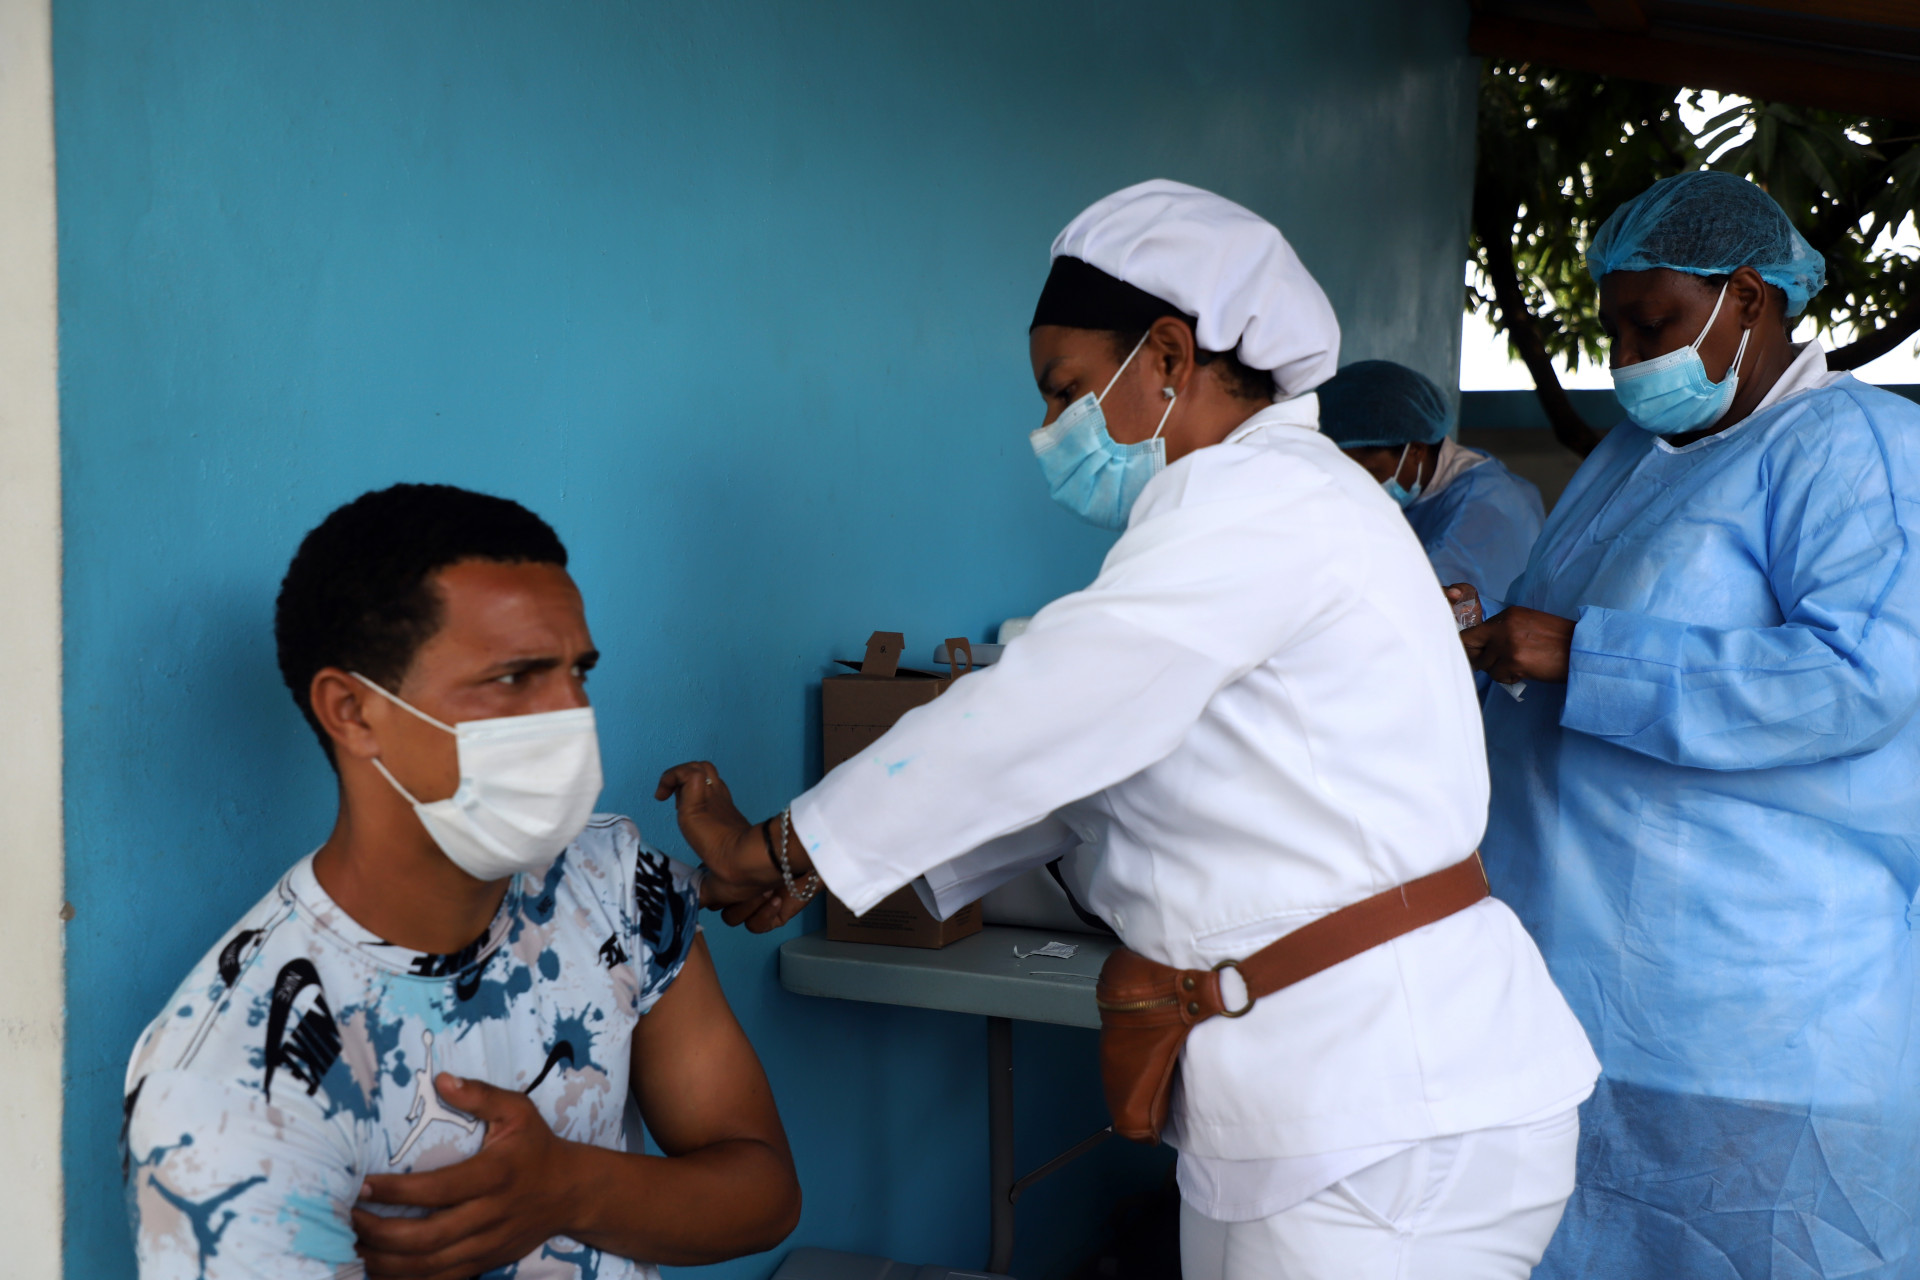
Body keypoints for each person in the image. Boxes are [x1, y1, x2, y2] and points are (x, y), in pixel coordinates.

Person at [661, 180, 1599, 1279]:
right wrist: (818, 865)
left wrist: (783, 846)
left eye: (1065, 391)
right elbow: (1093, 769)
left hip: (1377, 1111)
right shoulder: (1291, 506)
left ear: (1166, 357)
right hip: (1375, 1098)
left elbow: (1042, 707)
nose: (1048, 433)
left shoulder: (1256, 501)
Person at [121, 484, 800, 1279]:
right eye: (514, 678)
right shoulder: (232, 1087)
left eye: (578, 673)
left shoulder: (612, 883)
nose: (571, 714)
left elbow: (764, 1195)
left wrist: (573, 1189)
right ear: (353, 712)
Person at [1462, 169, 1920, 1278]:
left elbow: (1861, 676)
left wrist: (1582, 652)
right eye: (1614, 328)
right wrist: (1485, 635)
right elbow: (1546, 631)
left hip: (1754, 1006)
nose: (1625, 358)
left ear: (1749, 297)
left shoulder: (1851, 444)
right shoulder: (1628, 457)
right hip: (1576, 980)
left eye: (1652, 324)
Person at [1319, 359, 1544, 618]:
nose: (1355, 486)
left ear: (1415, 450)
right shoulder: (1429, 488)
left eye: (1369, 473)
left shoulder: (1486, 512)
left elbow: (1430, 610)